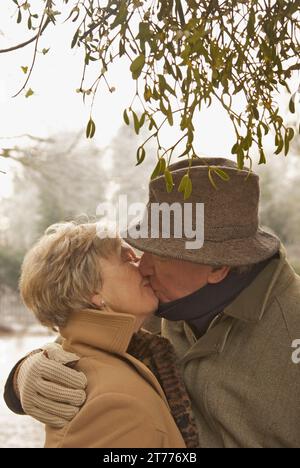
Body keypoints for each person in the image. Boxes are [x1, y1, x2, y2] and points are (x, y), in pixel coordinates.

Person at [4, 157, 300, 447]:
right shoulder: (159, 301)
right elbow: (86, 332)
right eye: (141, 248)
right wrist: (23, 375)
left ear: (218, 267)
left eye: (160, 254)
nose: (142, 266)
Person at [11, 221, 198, 448]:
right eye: (126, 258)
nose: (141, 264)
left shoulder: (109, 359)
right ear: (93, 290)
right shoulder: (114, 403)